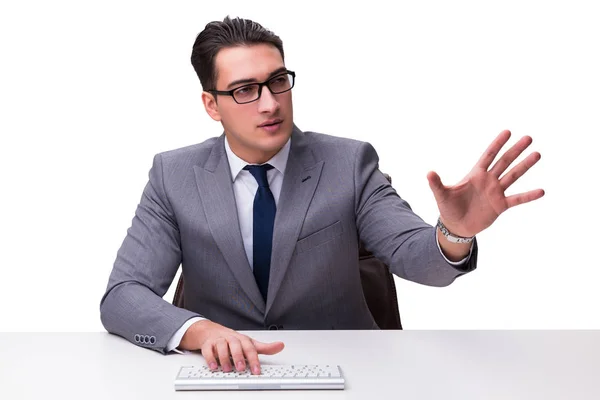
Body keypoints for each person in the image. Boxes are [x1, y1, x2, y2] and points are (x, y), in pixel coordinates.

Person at [100, 16, 544, 375]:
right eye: (244, 90)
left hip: (347, 374)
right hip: (223, 378)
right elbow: (122, 295)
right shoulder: (174, 175)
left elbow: (414, 255)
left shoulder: (348, 163)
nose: (270, 103)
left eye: (277, 81)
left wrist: (455, 232)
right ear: (212, 105)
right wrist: (202, 332)